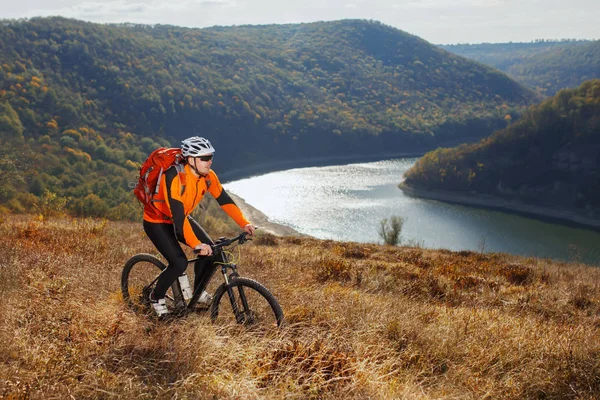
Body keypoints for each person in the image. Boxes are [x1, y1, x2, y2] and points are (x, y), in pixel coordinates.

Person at [142, 136, 255, 317]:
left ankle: (197, 292)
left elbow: (224, 200)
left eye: (210, 157)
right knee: (179, 263)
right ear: (192, 160)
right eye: (205, 158)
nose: (209, 161)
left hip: (181, 218)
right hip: (157, 221)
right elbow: (178, 218)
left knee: (212, 253)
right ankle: (156, 297)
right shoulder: (173, 176)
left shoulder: (208, 177)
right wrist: (196, 244)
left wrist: (244, 223)